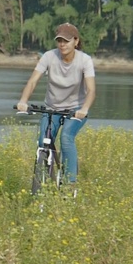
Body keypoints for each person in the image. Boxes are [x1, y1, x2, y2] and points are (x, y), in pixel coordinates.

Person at [16, 22, 96, 189]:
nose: (62, 44)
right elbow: (32, 82)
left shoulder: (85, 61)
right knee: (42, 142)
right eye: (59, 40)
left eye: (66, 41)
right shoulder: (49, 57)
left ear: (76, 41)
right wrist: (23, 101)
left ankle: (70, 183)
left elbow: (91, 90)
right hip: (52, 109)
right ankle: (45, 181)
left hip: (75, 110)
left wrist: (84, 109)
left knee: (66, 137)